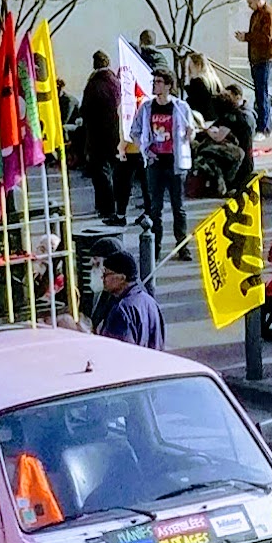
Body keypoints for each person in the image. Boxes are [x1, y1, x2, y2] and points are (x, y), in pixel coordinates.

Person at [128, 70, 195, 259]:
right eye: (154, 81)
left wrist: (190, 134)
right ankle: (154, 247)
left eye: (158, 82)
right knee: (155, 208)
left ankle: (182, 246)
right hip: (155, 162)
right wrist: (144, 148)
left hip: (175, 162)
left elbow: (191, 132)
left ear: (168, 85)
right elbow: (135, 131)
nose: (154, 85)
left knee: (178, 207)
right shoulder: (147, 107)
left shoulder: (180, 107)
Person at [80, 51, 124, 225]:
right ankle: (116, 206)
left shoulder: (94, 84)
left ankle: (106, 207)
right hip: (116, 134)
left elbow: (85, 109)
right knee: (116, 172)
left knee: (101, 173)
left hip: (98, 135)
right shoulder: (116, 82)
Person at [95, 251, 164, 350]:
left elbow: (116, 351)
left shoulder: (121, 311)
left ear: (122, 278)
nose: (103, 278)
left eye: (107, 274)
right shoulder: (150, 302)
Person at [235, 0, 272, 136]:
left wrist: (247, 37)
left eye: (250, 2)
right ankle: (265, 124)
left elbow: (266, 37)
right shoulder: (256, 15)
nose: (249, 6)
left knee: (262, 93)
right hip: (256, 58)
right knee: (260, 92)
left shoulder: (268, 14)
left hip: (265, 58)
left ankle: (264, 128)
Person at [181, 51, 222, 121]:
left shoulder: (197, 82)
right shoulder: (214, 80)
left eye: (191, 66)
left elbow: (194, 101)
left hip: (202, 117)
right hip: (214, 116)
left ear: (198, 66)